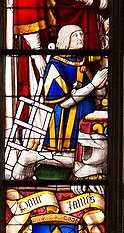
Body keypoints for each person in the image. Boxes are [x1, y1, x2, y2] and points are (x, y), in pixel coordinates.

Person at [40, 25, 108, 154]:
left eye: (81, 34)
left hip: (87, 119)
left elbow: (97, 97)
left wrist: (100, 86)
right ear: (66, 40)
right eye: (75, 35)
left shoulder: (82, 63)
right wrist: (93, 85)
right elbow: (63, 103)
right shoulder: (56, 65)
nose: (80, 38)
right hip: (65, 125)